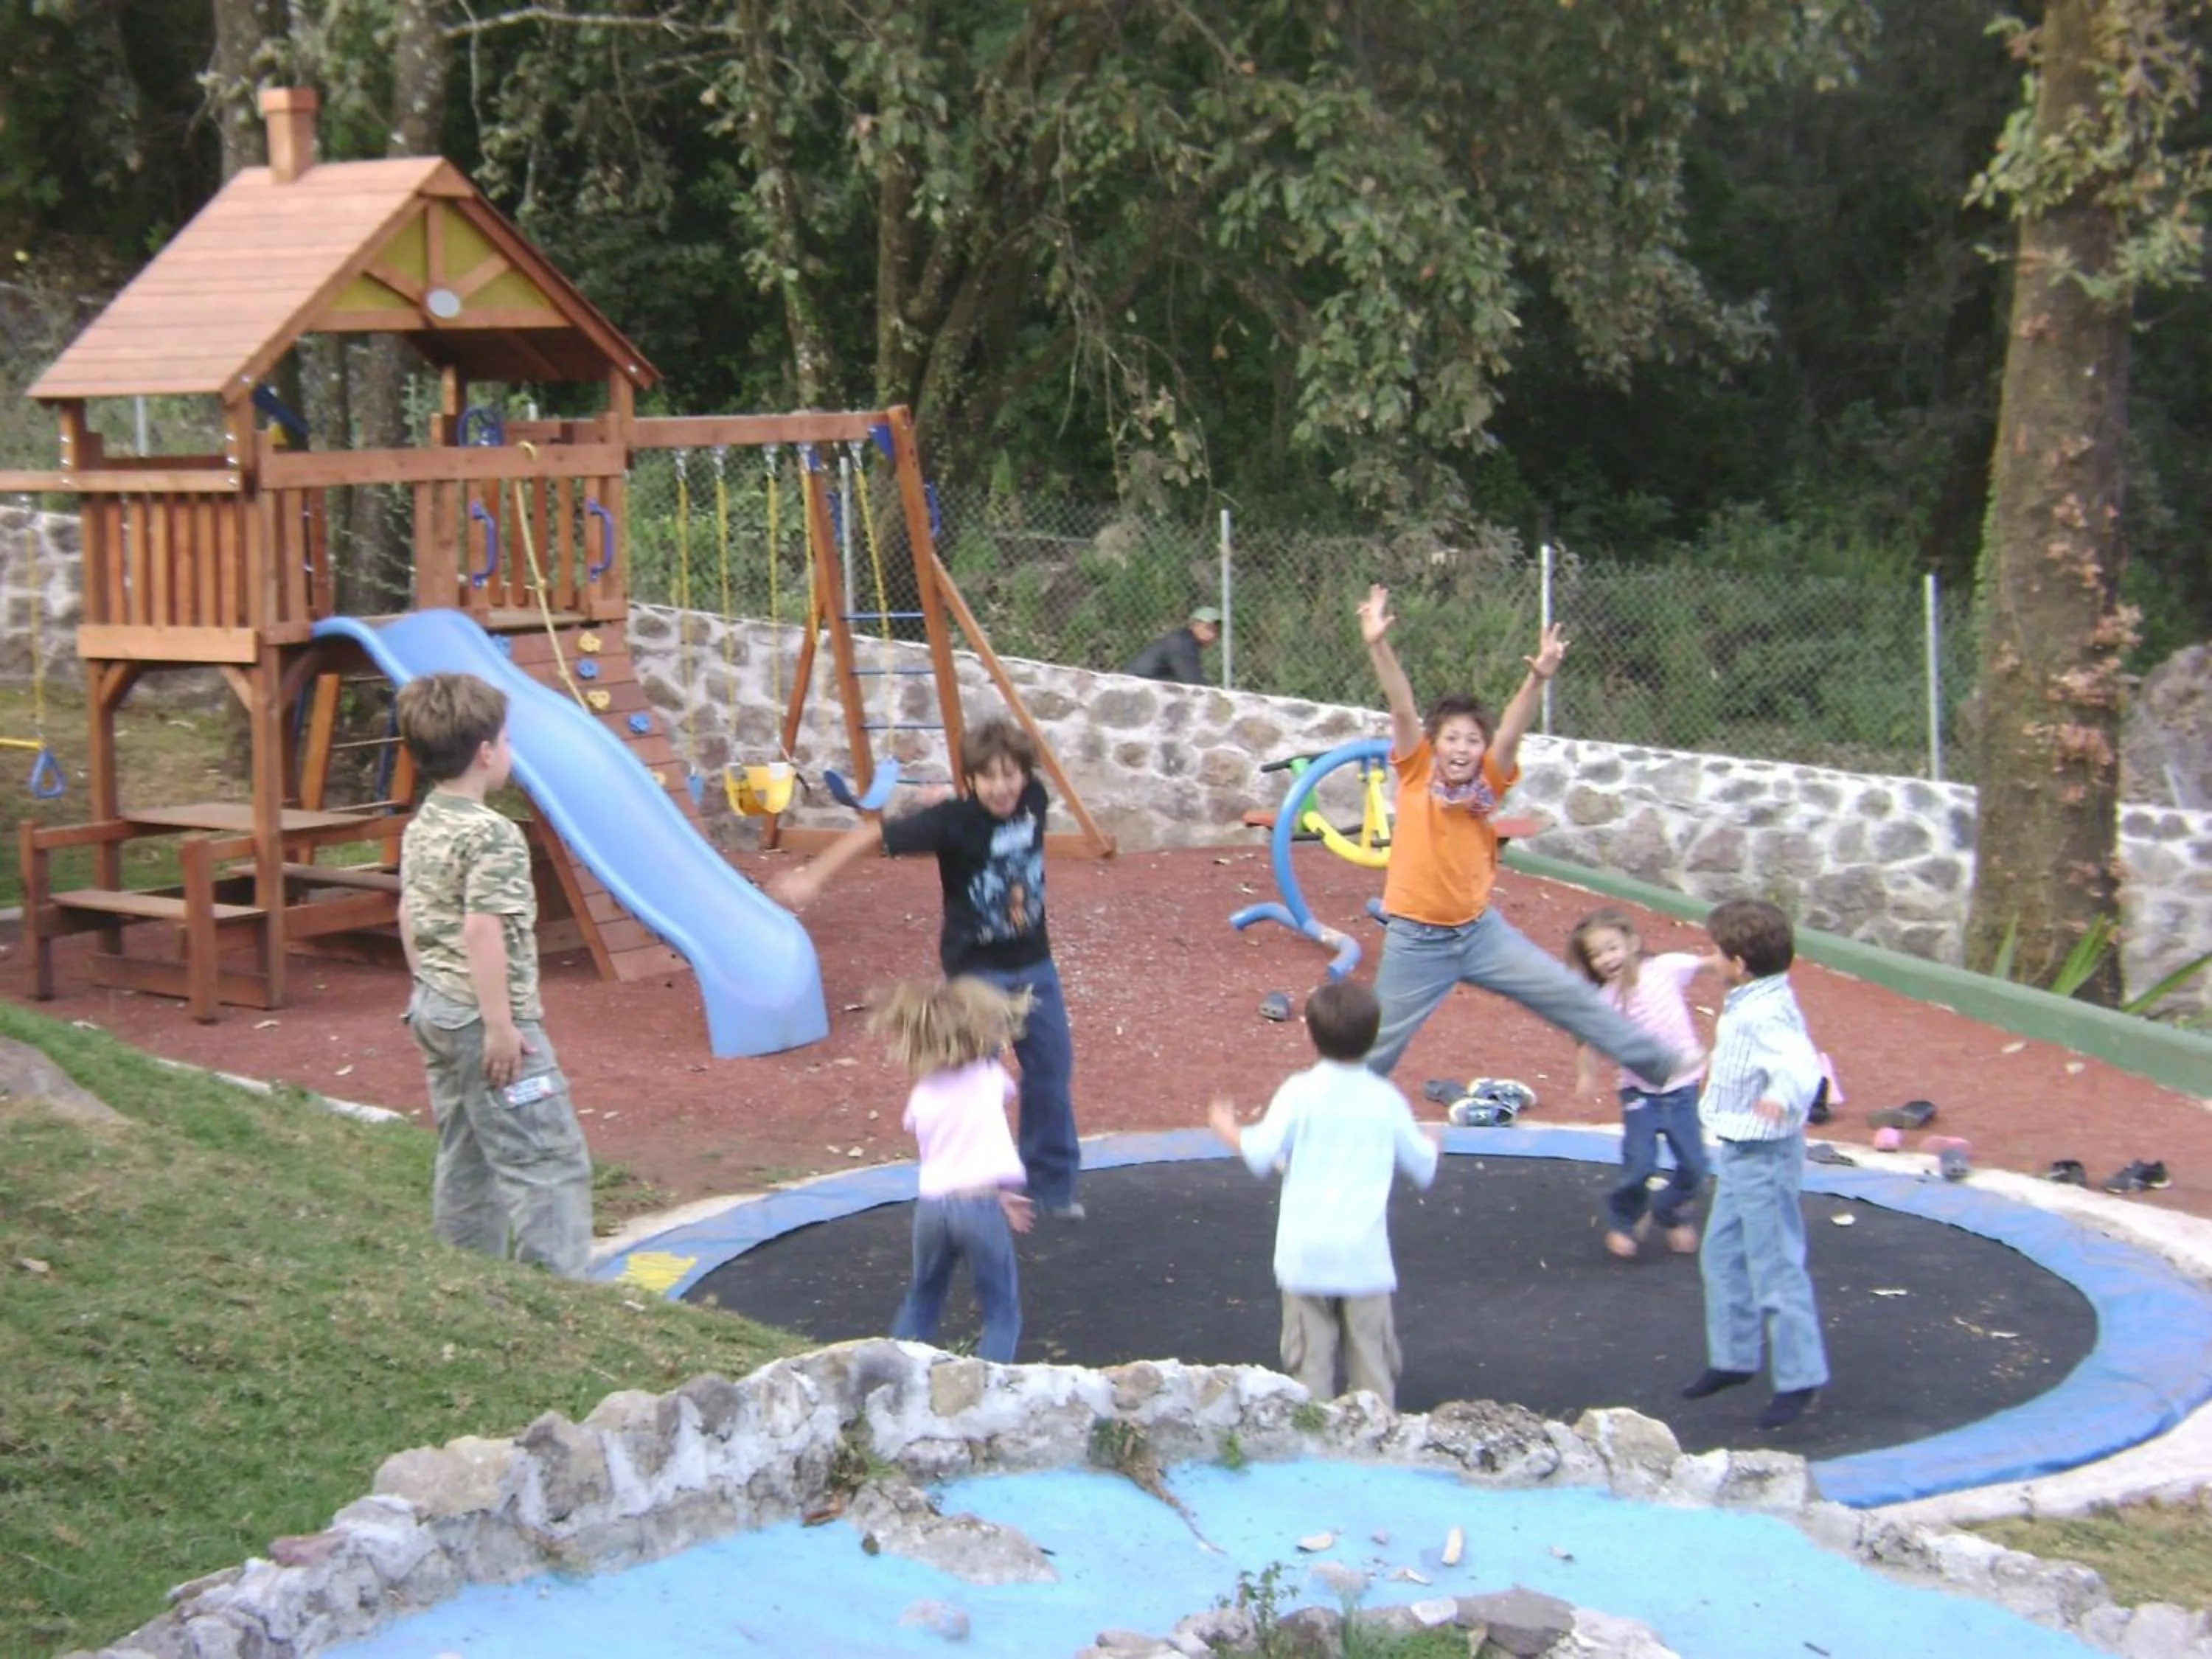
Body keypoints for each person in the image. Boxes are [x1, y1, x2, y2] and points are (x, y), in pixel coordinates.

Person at [1356, 584, 1686, 1085]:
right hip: (1417, 940)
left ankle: (1658, 1063)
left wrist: (1536, 681)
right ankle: (1314, 1134)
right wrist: (1378, 644)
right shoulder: (1416, 771)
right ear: (1434, 744)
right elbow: (1402, 708)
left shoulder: (1488, 783)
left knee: (1566, 994)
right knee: (1374, 1051)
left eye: (1472, 740)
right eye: (1452, 739)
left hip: (1479, 933)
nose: (1462, 748)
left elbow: (1509, 734)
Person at [768, 717, 1084, 1217]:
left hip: (1035, 962)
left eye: (1011, 775)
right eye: (989, 778)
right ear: (970, 782)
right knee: (972, 1083)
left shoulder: (1036, 800)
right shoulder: (951, 822)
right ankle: (978, 1189)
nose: (1002, 788)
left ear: (1024, 775)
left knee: (1052, 1071)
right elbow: (871, 836)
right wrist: (813, 877)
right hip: (976, 974)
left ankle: (1049, 1188)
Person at [394, 672, 593, 1276]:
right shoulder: (493, 836)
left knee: (469, 1151)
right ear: (486, 753)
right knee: (548, 1159)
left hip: (435, 1006)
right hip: (487, 1021)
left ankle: (466, 1279)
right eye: (506, 740)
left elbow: (409, 911)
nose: (509, 751)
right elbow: (483, 930)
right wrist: (500, 1026)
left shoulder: (426, 821)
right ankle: (561, 1300)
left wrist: (430, 985)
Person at [1206, 979, 1441, 1410]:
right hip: (1364, 1258)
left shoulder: (1300, 1092)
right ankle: (1375, 1445)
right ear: (1374, 1036)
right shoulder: (1386, 1099)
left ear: (1309, 1033)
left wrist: (1228, 1128)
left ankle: (1314, 1447)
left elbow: (1261, 1153)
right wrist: (1430, 1142)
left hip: (1306, 1254)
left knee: (1308, 1368)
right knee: (1374, 1367)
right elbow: (1422, 1166)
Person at [1680, 897, 1830, 1431]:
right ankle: (1734, 1358)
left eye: (1717, 953)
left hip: (1763, 1156)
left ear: (1740, 962)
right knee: (1722, 1256)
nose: (1712, 960)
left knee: (1775, 1266)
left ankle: (1800, 1375)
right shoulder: (1755, 995)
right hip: (1740, 1152)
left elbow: (1800, 1063)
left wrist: (1782, 1098)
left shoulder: (1765, 1010)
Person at [872, 977, 1035, 1361]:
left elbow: (938, 1141)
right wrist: (1004, 1190)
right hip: (978, 1206)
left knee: (923, 1297)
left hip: (932, 1208)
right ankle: (989, 1387)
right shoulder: (990, 1077)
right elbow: (991, 1122)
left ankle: (893, 1372)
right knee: (1001, 1311)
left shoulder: (923, 1094)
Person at [1565, 908, 1715, 1260]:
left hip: (1682, 1090)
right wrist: (1586, 1075)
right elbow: (1589, 1043)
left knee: (1695, 1166)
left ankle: (1670, 1211)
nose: (1606, 958)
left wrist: (1739, 963)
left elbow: (1710, 964)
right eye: (1596, 955)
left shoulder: (1665, 969)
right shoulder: (1604, 1001)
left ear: (1632, 942)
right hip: (1639, 1094)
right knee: (1640, 1165)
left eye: (1611, 947)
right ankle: (1624, 1220)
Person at [1124, 605, 1222, 684]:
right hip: (1138, 689)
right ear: (1193, 625)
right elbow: (1193, 682)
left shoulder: (1185, 641)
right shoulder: (1182, 643)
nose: (1212, 635)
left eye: (1216, 630)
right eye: (1208, 628)